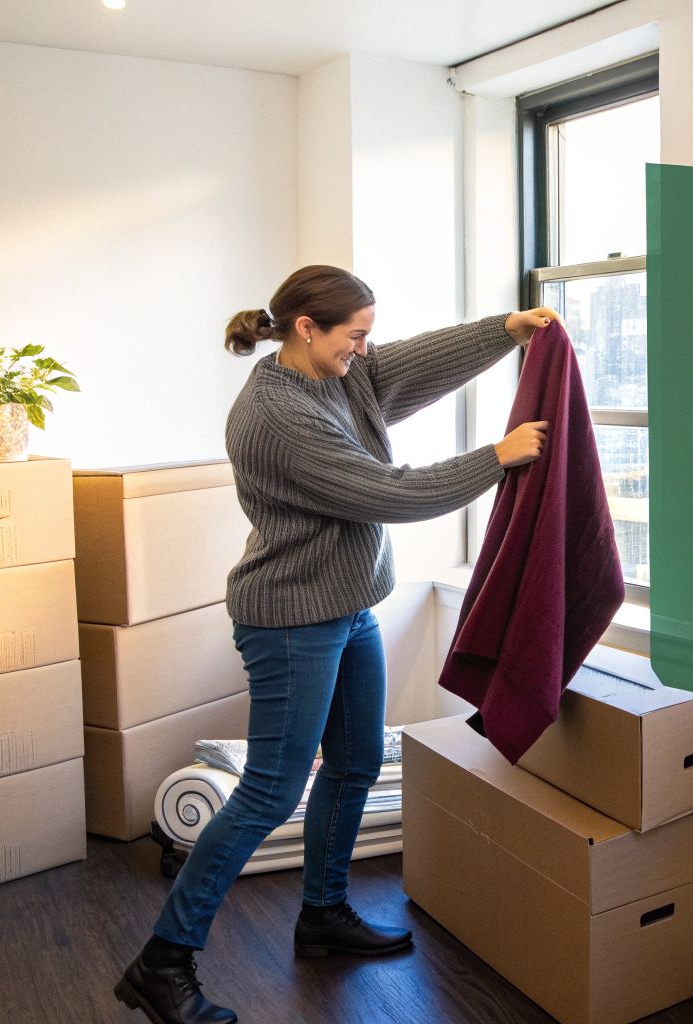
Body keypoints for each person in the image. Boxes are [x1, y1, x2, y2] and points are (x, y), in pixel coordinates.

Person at [114, 264, 556, 1024]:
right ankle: (162, 962)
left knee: (353, 764)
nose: (365, 350)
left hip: (348, 608)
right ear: (306, 329)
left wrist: (503, 332)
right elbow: (388, 490)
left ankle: (322, 915)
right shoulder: (276, 416)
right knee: (270, 792)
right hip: (290, 621)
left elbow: (406, 364)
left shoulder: (336, 373)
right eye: (354, 336)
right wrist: (495, 457)